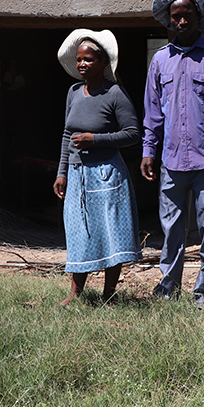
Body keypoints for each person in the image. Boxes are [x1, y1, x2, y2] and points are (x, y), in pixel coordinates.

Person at [141, 0, 204, 303]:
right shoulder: (160, 61)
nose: (181, 22)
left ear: (198, 17)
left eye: (187, 16)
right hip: (171, 160)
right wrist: (148, 150)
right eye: (175, 17)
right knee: (171, 229)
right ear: (168, 21)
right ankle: (167, 289)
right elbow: (153, 111)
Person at [53, 29, 141, 306]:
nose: (82, 64)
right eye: (79, 59)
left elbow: (133, 133)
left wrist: (96, 140)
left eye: (88, 59)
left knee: (111, 232)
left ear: (104, 63)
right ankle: (75, 293)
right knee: (80, 231)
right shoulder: (74, 92)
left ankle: (109, 294)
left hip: (106, 174)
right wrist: (62, 172)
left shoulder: (115, 93)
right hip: (77, 176)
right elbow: (67, 134)